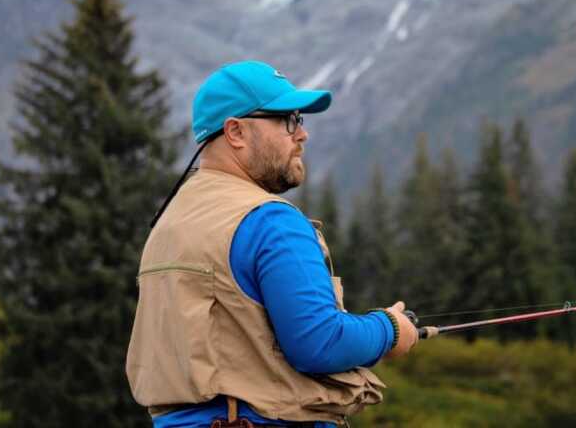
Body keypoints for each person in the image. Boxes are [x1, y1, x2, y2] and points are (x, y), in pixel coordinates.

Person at [126, 60, 420, 427]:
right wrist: (390, 329)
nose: (302, 134)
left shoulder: (167, 225)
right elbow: (320, 342)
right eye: (288, 119)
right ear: (235, 132)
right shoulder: (270, 220)